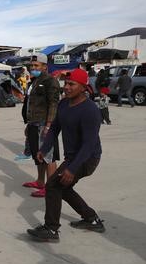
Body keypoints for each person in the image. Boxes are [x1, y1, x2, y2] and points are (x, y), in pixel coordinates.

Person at [27, 69, 105, 242]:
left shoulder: (90, 110)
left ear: (84, 87)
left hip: (87, 158)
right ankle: (92, 219)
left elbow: (89, 144)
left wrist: (72, 168)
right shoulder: (64, 104)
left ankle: (51, 229)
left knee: (53, 186)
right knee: (63, 188)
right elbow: (54, 129)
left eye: (71, 84)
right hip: (73, 158)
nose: (66, 88)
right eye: (65, 84)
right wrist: (44, 149)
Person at [22, 53, 61, 198]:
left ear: (45, 66)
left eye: (36, 65)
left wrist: (49, 125)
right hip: (34, 123)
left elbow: (53, 104)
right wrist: (28, 124)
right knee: (37, 155)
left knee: (48, 156)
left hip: (45, 124)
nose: (33, 68)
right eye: (31, 66)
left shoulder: (51, 81)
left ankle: (50, 187)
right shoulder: (35, 81)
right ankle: (40, 181)